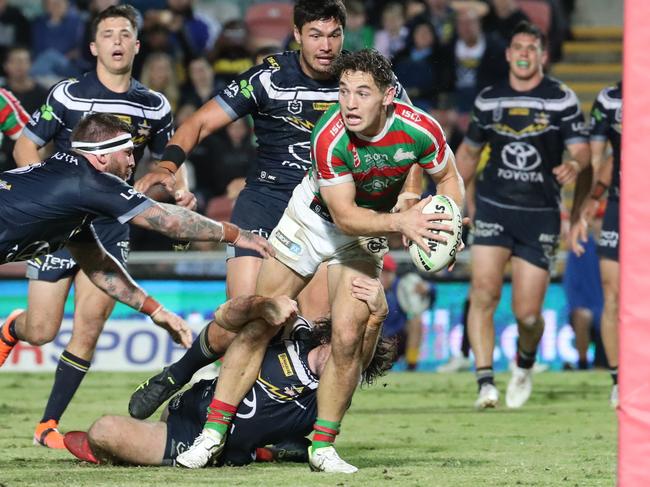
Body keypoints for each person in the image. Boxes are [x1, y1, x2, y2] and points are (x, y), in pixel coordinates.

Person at [173, 49, 464, 473]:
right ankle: (212, 434)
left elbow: (451, 178)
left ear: (388, 97)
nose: (348, 103)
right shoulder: (330, 135)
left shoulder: (422, 129)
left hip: (362, 241)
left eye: (361, 93)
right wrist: (403, 218)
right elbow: (345, 215)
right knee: (261, 321)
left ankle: (322, 446)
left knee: (347, 335)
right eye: (344, 91)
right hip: (309, 226)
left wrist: (447, 229)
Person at [134, 0, 416, 382]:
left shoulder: (364, 79)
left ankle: (284, 433)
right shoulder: (267, 78)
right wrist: (167, 166)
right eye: (315, 35)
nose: (326, 46)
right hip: (265, 202)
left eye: (334, 35)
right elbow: (199, 123)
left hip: (324, 212)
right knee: (245, 319)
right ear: (297, 34)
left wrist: (409, 195)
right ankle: (179, 378)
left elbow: (414, 139)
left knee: (314, 336)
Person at [11, 5, 196, 450]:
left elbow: (167, 159)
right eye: (107, 33)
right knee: (41, 330)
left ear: (136, 45)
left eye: (124, 34)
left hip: (110, 228)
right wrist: (40, 202)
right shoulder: (67, 95)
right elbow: (25, 144)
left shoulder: (154, 105)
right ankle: (9, 331)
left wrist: (181, 191)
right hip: (60, 226)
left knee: (90, 327)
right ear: (94, 46)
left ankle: (47, 426)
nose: (116, 40)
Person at [0, 114, 273, 379]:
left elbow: (101, 269)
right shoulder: (90, 181)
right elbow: (168, 222)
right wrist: (236, 235)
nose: (134, 161)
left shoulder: (72, 193)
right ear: (102, 155)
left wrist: (156, 311)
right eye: (128, 153)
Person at [68, 277, 393, 467]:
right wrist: (262, 306)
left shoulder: (327, 398)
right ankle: (175, 374)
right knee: (246, 322)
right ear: (330, 333)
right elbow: (224, 315)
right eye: (341, 341)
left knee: (103, 431)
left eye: (353, 354)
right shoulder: (296, 331)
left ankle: (258, 450)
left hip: (192, 438)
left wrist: (377, 316)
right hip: (190, 399)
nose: (343, 352)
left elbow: (357, 357)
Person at [455, 21, 590, 410]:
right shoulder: (489, 99)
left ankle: (524, 364)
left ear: (543, 55)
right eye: (518, 47)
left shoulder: (560, 99)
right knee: (483, 292)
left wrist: (575, 167)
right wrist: (451, 204)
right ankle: (485, 383)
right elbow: (467, 154)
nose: (525, 53)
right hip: (496, 207)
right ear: (508, 54)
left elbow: (582, 152)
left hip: (541, 214)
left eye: (532, 47)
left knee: (528, 315)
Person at [571, 81, 621, 407]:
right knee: (612, 292)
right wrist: (593, 199)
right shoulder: (611, 99)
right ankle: (619, 380)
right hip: (622, 205)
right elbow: (606, 158)